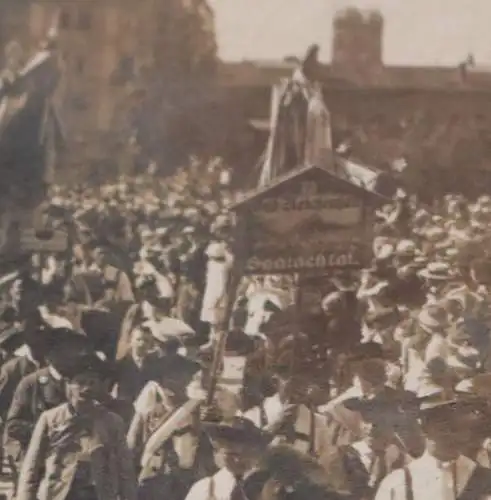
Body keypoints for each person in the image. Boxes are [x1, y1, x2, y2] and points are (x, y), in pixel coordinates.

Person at [16, 353, 138, 500]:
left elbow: (125, 470)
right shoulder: (50, 419)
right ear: (68, 384)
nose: (86, 388)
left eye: (92, 383)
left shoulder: (112, 422)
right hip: (57, 493)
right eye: (80, 382)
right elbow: (32, 467)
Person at [3, 327, 93, 470]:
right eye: (65, 352)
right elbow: (13, 426)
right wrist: (48, 431)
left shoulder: (81, 382)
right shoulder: (31, 383)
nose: (71, 357)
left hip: (73, 459)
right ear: (50, 355)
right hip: (37, 456)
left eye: (74, 351)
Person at [374, 391, 491, 500]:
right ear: (424, 429)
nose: (453, 436)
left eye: (458, 428)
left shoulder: (483, 479)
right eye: (444, 429)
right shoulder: (399, 482)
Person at [184, 417, 270, 500]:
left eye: (244, 453)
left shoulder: (266, 486)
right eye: (231, 454)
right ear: (219, 450)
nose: (238, 460)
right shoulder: (204, 489)